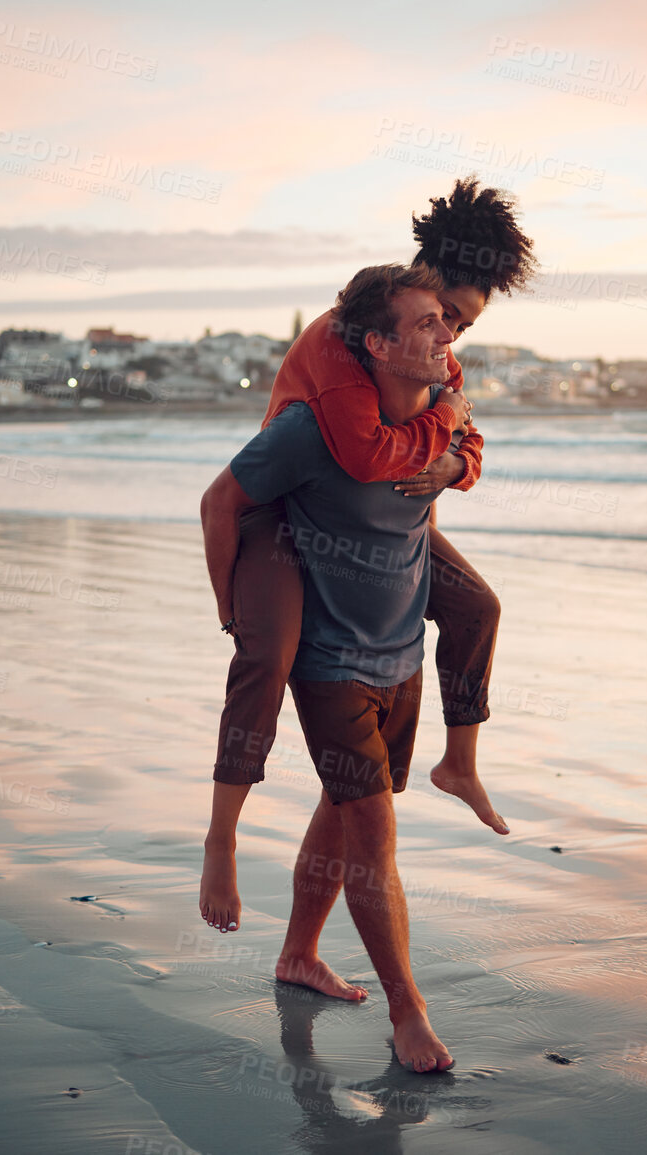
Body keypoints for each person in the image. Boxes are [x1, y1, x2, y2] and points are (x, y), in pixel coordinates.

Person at [200, 179, 537, 936]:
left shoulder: (437, 356)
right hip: (286, 512)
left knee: (474, 606)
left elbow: (466, 444)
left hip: (373, 521)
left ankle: (459, 764)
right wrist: (443, 426)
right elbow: (361, 452)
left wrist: (453, 460)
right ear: (421, 283)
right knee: (270, 653)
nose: (453, 335)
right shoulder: (349, 336)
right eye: (446, 315)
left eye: (465, 324)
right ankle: (221, 838)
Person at [200, 263, 463, 1072]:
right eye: (424, 323)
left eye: (446, 320)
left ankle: (298, 953)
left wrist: (454, 458)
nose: (445, 333)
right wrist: (234, 611)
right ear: (377, 343)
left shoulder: (441, 416)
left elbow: (440, 491)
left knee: (347, 810)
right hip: (329, 663)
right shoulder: (311, 430)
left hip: (398, 653)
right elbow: (220, 501)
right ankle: (407, 1010)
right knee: (373, 836)